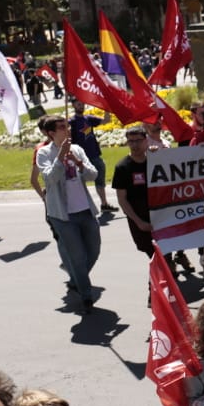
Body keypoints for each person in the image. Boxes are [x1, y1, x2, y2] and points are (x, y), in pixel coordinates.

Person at [36, 115, 102, 313]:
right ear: (51, 133)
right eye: (63, 127)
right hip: (63, 216)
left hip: (85, 210)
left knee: (94, 249)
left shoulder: (77, 149)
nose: (68, 130)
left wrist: (78, 163)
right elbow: (49, 178)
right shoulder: (44, 153)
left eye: (67, 126)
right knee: (78, 256)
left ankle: (75, 276)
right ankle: (86, 294)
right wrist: (60, 158)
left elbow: (93, 174)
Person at [112, 125, 157, 258]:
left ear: (146, 140)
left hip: (159, 216)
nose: (134, 145)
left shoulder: (156, 160)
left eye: (138, 140)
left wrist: (160, 155)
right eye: (131, 141)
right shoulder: (122, 167)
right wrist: (139, 222)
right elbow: (122, 200)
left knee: (164, 253)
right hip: (140, 219)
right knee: (153, 254)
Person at [68, 100, 117, 212]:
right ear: (73, 105)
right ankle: (82, 206)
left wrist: (107, 109)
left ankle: (104, 204)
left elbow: (106, 120)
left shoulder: (88, 119)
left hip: (94, 154)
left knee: (100, 176)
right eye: (78, 104)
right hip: (80, 157)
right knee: (79, 182)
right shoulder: (71, 122)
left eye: (82, 104)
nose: (81, 105)